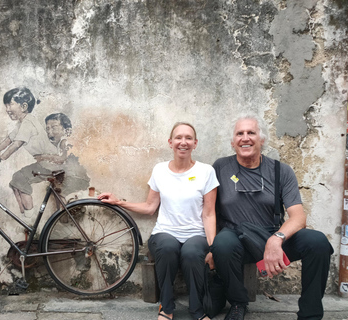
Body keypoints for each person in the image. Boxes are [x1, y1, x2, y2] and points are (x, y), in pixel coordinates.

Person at [211, 114, 334, 320]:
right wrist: (209, 246)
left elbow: (298, 217)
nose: (245, 138)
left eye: (251, 132)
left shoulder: (281, 171)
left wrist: (277, 238)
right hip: (235, 239)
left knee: (318, 242)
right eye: (239, 133)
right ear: (233, 142)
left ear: (262, 139)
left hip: (271, 235)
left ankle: (310, 314)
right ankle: (238, 304)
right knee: (222, 243)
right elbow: (209, 211)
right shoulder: (220, 167)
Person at [98, 122, 219, 320]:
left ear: (195, 143)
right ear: (170, 142)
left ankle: (197, 310)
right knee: (167, 248)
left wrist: (212, 248)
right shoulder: (160, 170)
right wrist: (118, 202)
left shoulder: (206, 172)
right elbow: (150, 207)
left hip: (195, 234)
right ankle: (166, 307)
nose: (183, 142)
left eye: (188, 138)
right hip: (165, 232)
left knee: (191, 253)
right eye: (178, 138)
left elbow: (209, 214)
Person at [0, 87, 58, 213]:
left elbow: (16, 144)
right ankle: (25, 215)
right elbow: (8, 140)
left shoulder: (28, 122)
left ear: (24, 106)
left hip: (50, 162)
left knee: (19, 179)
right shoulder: (22, 123)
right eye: (6, 105)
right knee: (16, 181)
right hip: (45, 162)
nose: (7, 109)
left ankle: (30, 217)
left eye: (10, 105)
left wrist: (2, 157)